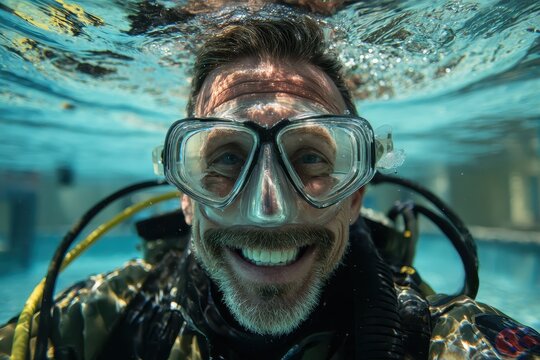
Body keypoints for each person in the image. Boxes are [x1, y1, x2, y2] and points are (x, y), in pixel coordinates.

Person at [1, 15, 539, 360]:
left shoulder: (440, 340)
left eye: (309, 157)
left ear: (355, 193)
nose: (267, 210)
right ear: (185, 195)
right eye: (226, 157)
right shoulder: (110, 316)